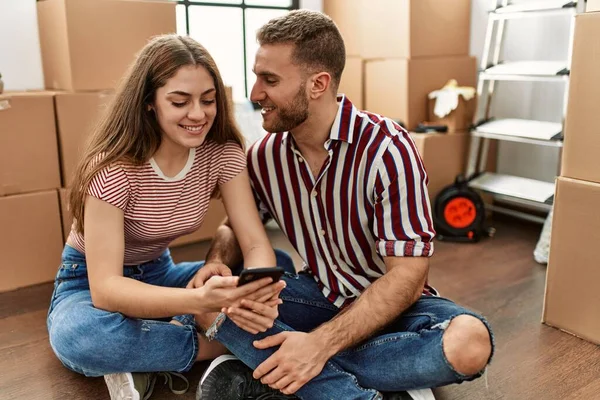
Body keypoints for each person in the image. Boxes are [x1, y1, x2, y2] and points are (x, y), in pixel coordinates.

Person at [194, 10, 494, 400]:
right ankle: (364, 383)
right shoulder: (264, 156)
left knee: (469, 344)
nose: (254, 93)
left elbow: (408, 277)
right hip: (318, 294)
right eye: (256, 76)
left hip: (393, 309)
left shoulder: (388, 149)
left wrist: (318, 346)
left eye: (269, 80)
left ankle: (273, 368)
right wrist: (217, 259)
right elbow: (236, 225)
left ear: (318, 84)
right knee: (207, 306)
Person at [46, 34, 292, 400]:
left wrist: (255, 290)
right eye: (180, 102)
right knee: (81, 338)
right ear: (149, 103)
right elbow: (107, 289)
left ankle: (153, 353)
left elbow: (255, 243)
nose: (198, 114)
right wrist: (201, 304)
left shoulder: (222, 153)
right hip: (88, 282)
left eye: (208, 101)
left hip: (160, 272)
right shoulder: (114, 169)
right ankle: (223, 348)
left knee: (280, 268)